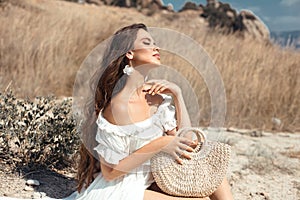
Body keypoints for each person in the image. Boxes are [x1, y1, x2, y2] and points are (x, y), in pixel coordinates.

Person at [0, 23, 233, 200]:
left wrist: (178, 95)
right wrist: (160, 144)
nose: (156, 47)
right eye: (147, 43)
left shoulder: (158, 99)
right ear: (129, 54)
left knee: (215, 176)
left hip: (155, 179)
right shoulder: (118, 105)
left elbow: (188, 141)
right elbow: (111, 172)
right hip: (123, 188)